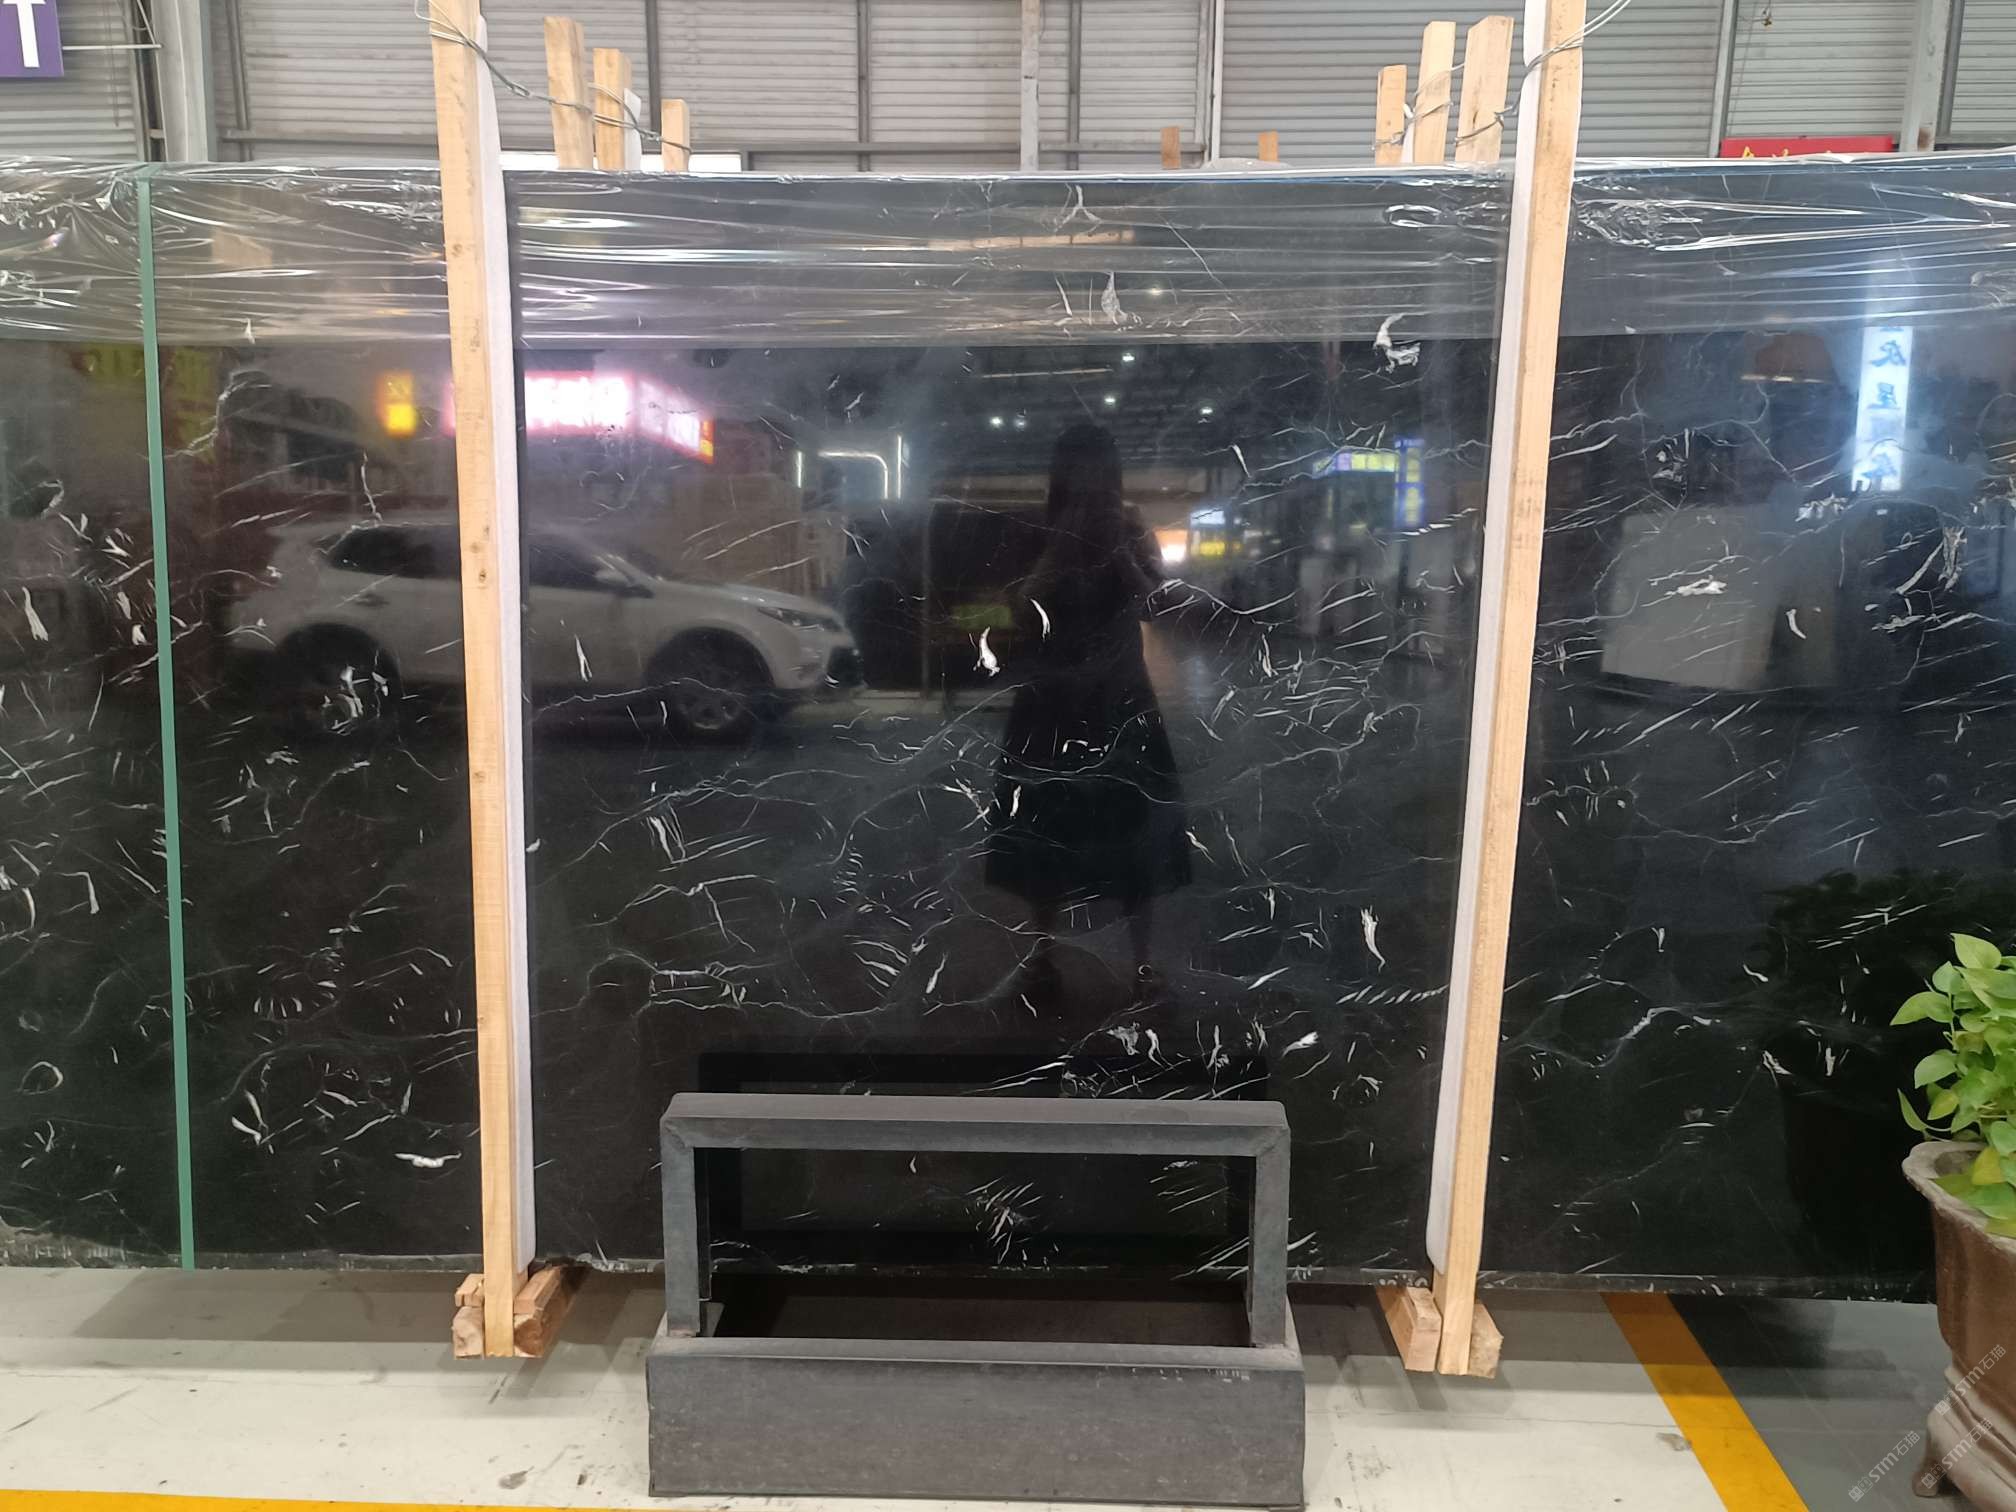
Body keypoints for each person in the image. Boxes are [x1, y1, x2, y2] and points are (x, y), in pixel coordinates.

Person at [986, 423, 1191, 1001]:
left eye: (1098, 466)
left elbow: (1158, 608)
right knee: (1045, 832)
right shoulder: (1035, 529)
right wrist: (1058, 548)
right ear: (1061, 472)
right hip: (1052, 701)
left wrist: (1121, 552)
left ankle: (1143, 965)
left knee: (1134, 833)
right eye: (1078, 466)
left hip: (1120, 700)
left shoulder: (1130, 526)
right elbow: (1016, 611)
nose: (1089, 478)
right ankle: (1041, 955)